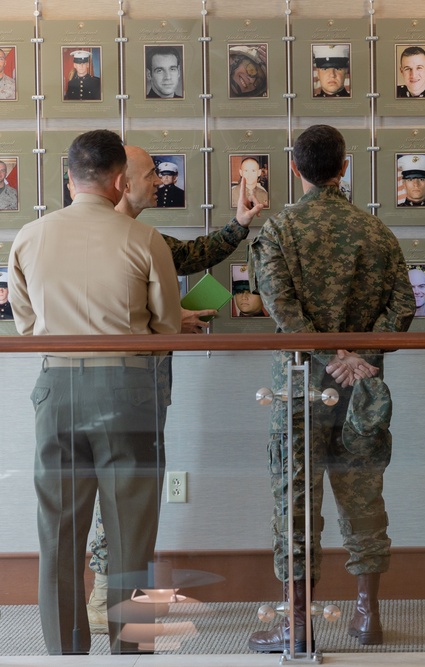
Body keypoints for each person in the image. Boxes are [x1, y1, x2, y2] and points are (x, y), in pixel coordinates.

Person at [8, 129, 181, 655]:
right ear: (119, 180)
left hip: (55, 388)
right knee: (133, 536)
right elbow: (169, 327)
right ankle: (133, 654)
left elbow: (25, 325)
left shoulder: (28, 236)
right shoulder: (144, 239)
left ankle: (64, 653)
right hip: (128, 389)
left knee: (58, 536)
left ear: (69, 179)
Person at [247, 124, 415, 652]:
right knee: (364, 498)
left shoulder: (277, 231)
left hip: (298, 387)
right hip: (361, 387)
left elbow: (282, 309)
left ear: (295, 169)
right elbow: (404, 308)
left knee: (293, 502)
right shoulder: (376, 231)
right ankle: (367, 615)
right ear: (344, 168)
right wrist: (356, 357)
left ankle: (297, 622)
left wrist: (327, 356)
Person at [83, 142, 253, 634]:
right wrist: (172, 324)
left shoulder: (143, 235)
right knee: (117, 490)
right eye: (149, 173)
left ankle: (121, 594)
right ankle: (102, 600)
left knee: (134, 491)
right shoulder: (100, 239)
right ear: (122, 180)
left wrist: (239, 224)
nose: (159, 180)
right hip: (116, 385)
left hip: (143, 384)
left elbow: (191, 256)